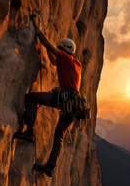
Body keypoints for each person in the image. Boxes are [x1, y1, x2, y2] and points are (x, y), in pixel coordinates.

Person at [13, 14, 82, 177]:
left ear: (63, 49)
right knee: (59, 135)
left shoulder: (67, 59)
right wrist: (45, 43)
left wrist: (38, 29)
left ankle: (29, 132)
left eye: (59, 49)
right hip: (73, 104)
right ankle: (50, 166)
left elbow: (47, 44)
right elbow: (52, 60)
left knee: (31, 97)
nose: (58, 52)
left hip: (66, 99)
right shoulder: (74, 63)